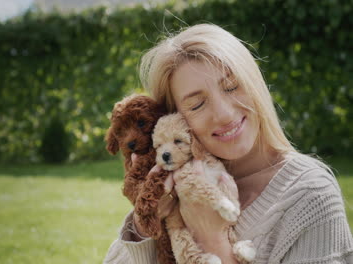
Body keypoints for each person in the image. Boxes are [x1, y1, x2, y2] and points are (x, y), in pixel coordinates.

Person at [103, 23, 353, 263]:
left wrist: (212, 240)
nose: (223, 114)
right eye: (197, 105)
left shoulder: (309, 195)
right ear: (173, 117)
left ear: (254, 83)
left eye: (232, 87)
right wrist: (145, 223)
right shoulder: (174, 187)